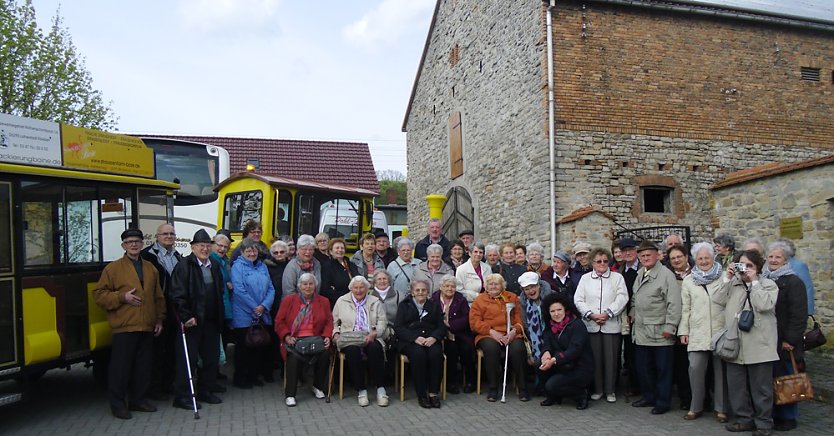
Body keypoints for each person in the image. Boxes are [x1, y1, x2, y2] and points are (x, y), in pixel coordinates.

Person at [93, 228, 166, 419]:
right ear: (123, 245)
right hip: (125, 326)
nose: (133, 244)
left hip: (147, 325)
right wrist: (121, 297)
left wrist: (159, 319)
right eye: (129, 242)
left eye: (137, 241)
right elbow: (99, 295)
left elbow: (158, 296)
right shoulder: (113, 269)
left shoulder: (150, 268)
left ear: (142, 244)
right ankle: (118, 405)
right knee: (120, 369)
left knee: (143, 367)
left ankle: (138, 400)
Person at [712, 250, 779, 435]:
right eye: (742, 265)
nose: (746, 269)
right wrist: (727, 277)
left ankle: (764, 424)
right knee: (737, 388)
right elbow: (716, 299)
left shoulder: (768, 285)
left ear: (758, 267)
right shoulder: (733, 284)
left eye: (750, 265)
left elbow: (765, 305)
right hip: (735, 345)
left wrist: (754, 282)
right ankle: (744, 420)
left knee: (761, 390)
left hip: (760, 346)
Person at [169, 229, 226, 410]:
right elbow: (177, 295)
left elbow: (219, 292)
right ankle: (183, 396)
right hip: (192, 321)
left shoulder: (214, 265)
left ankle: (206, 390)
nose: (205, 248)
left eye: (208, 245)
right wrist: (186, 316)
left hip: (210, 320)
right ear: (193, 247)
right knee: (188, 360)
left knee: (211, 358)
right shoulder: (184, 266)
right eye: (201, 245)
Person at [630, 240, 682, 415]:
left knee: (662, 370)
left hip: (661, 331)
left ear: (657, 255)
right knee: (644, 369)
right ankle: (648, 396)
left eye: (648, 255)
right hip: (642, 330)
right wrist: (632, 311)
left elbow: (674, 303)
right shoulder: (640, 274)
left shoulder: (666, 275)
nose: (645, 258)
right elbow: (635, 298)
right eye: (642, 255)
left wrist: (671, 326)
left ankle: (662, 401)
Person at [678, 242, 727, 422]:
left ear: (713, 258)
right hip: (697, 330)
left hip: (719, 330)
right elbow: (686, 308)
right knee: (695, 368)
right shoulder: (689, 280)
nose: (704, 261)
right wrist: (684, 331)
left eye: (707, 258)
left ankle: (721, 408)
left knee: (720, 372)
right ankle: (695, 407)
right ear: (695, 260)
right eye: (700, 258)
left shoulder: (723, 277)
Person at [763, 241, 808, 432]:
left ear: (785, 260)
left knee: (787, 379)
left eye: (778, 257)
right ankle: (773, 414)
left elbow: (799, 315)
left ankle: (789, 417)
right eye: (771, 256)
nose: (773, 260)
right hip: (768, 339)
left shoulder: (793, 282)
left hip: (785, 341)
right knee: (771, 379)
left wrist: (790, 339)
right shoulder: (764, 279)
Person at [574, 248, 628, 404]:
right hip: (591, 325)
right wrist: (591, 314)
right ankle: (597, 389)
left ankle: (610, 390)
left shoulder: (617, 278)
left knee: (611, 359)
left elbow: (622, 297)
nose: (602, 264)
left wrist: (608, 313)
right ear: (592, 263)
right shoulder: (585, 279)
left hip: (611, 325)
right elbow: (579, 300)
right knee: (595, 359)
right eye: (598, 261)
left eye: (605, 261)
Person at [274, 273, 333, 407]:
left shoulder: (323, 301)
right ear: (299, 286)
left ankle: (317, 386)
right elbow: (279, 322)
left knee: (324, 354)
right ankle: (290, 394)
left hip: (316, 338)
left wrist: (327, 336)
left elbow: (329, 321)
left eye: (311, 284)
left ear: (315, 286)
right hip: (294, 339)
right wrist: (287, 336)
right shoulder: (289, 300)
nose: (308, 287)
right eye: (305, 284)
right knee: (293, 358)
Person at [332, 276, 390, 407]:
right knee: (352, 352)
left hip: (370, 335)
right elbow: (334, 322)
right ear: (351, 288)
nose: (358, 290)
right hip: (350, 337)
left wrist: (375, 333)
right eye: (356, 288)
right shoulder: (342, 301)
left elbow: (382, 321)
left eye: (362, 287)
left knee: (375, 349)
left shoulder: (375, 301)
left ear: (367, 288)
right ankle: (361, 390)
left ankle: (380, 389)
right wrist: (335, 333)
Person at [469, 274, 528, 402]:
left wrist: (514, 331)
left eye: (497, 283)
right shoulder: (479, 300)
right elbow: (474, 322)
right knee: (491, 348)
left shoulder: (512, 297)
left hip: (510, 332)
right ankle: (493, 387)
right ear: (486, 286)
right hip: (488, 334)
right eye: (491, 284)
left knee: (518, 348)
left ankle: (523, 388)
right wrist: (491, 332)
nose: (494, 286)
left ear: (503, 285)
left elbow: (520, 319)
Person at [140, 222, 182, 400]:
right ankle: (153, 387)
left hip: (174, 308)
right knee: (156, 350)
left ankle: (168, 383)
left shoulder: (178, 256)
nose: (169, 237)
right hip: (157, 307)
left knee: (172, 349)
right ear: (157, 236)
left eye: (172, 234)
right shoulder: (147, 256)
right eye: (165, 234)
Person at [230, 238, 276, 388]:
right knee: (244, 347)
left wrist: (264, 306)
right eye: (248, 251)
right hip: (244, 313)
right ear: (242, 252)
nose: (251, 253)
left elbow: (271, 288)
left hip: (262, 312)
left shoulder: (262, 266)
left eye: (254, 250)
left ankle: (254, 376)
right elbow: (239, 290)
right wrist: (255, 307)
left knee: (258, 345)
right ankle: (241, 379)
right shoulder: (238, 267)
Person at [395, 279, 447, 408]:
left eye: (423, 290)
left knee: (436, 354)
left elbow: (441, 326)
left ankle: (433, 393)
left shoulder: (434, 305)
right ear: (412, 292)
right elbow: (399, 327)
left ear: (427, 292)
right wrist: (414, 338)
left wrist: (434, 337)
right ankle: (422, 394)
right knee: (419, 355)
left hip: (430, 339)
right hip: (410, 341)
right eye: (417, 290)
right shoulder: (404, 305)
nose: (420, 292)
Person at [539, 293, 594, 410]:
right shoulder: (550, 325)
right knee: (539, 365)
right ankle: (552, 396)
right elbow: (546, 343)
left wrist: (554, 360)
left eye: (559, 309)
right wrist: (546, 353)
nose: (556, 314)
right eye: (552, 311)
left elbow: (575, 349)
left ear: (566, 309)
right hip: (562, 364)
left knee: (552, 385)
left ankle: (581, 394)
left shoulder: (577, 324)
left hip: (579, 367)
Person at [430, 274, 476, 394]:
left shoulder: (461, 299)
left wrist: (451, 325)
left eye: (452, 286)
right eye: (447, 286)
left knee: (466, 349)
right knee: (451, 350)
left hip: (460, 333)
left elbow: (467, 318)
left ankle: (471, 381)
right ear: (441, 287)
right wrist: (442, 326)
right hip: (441, 335)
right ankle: (451, 382)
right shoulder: (433, 299)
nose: (450, 289)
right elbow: (430, 318)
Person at [665, 243, 692, 410]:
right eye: (673, 258)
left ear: (686, 257)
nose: (676, 260)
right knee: (681, 364)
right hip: (676, 324)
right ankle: (686, 398)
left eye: (679, 257)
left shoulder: (696, 274)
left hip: (694, 324)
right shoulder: (668, 276)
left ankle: (703, 399)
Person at [518, 271, 552, 394]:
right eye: (527, 289)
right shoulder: (523, 302)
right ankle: (541, 385)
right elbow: (526, 323)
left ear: (539, 285)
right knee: (537, 357)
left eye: (533, 287)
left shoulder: (551, 296)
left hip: (552, 334)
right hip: (534, 337)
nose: (531, 291)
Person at [616, 237, 641, 396]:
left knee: (641, 353)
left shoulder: (643, 269)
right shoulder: (620, 271)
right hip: (625, 317)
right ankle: (633, 385)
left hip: (639, 315)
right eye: (625, 251)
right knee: (630, 353)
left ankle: (642, 385)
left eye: (631, 250)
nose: (628, 253)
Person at [320, 237, 360, 309]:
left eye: (342, 248)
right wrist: (346, 297)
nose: (340, 250)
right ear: (331, 251)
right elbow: (326, 290)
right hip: (337, 304)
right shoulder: (327, 266)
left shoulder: (352, 265)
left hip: (355, 302)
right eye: (337, 248)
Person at [779, 238, 815, 315]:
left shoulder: (799, 265)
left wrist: (808, 312)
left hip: (796, 309)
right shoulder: (774, 265)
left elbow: (808, 288)